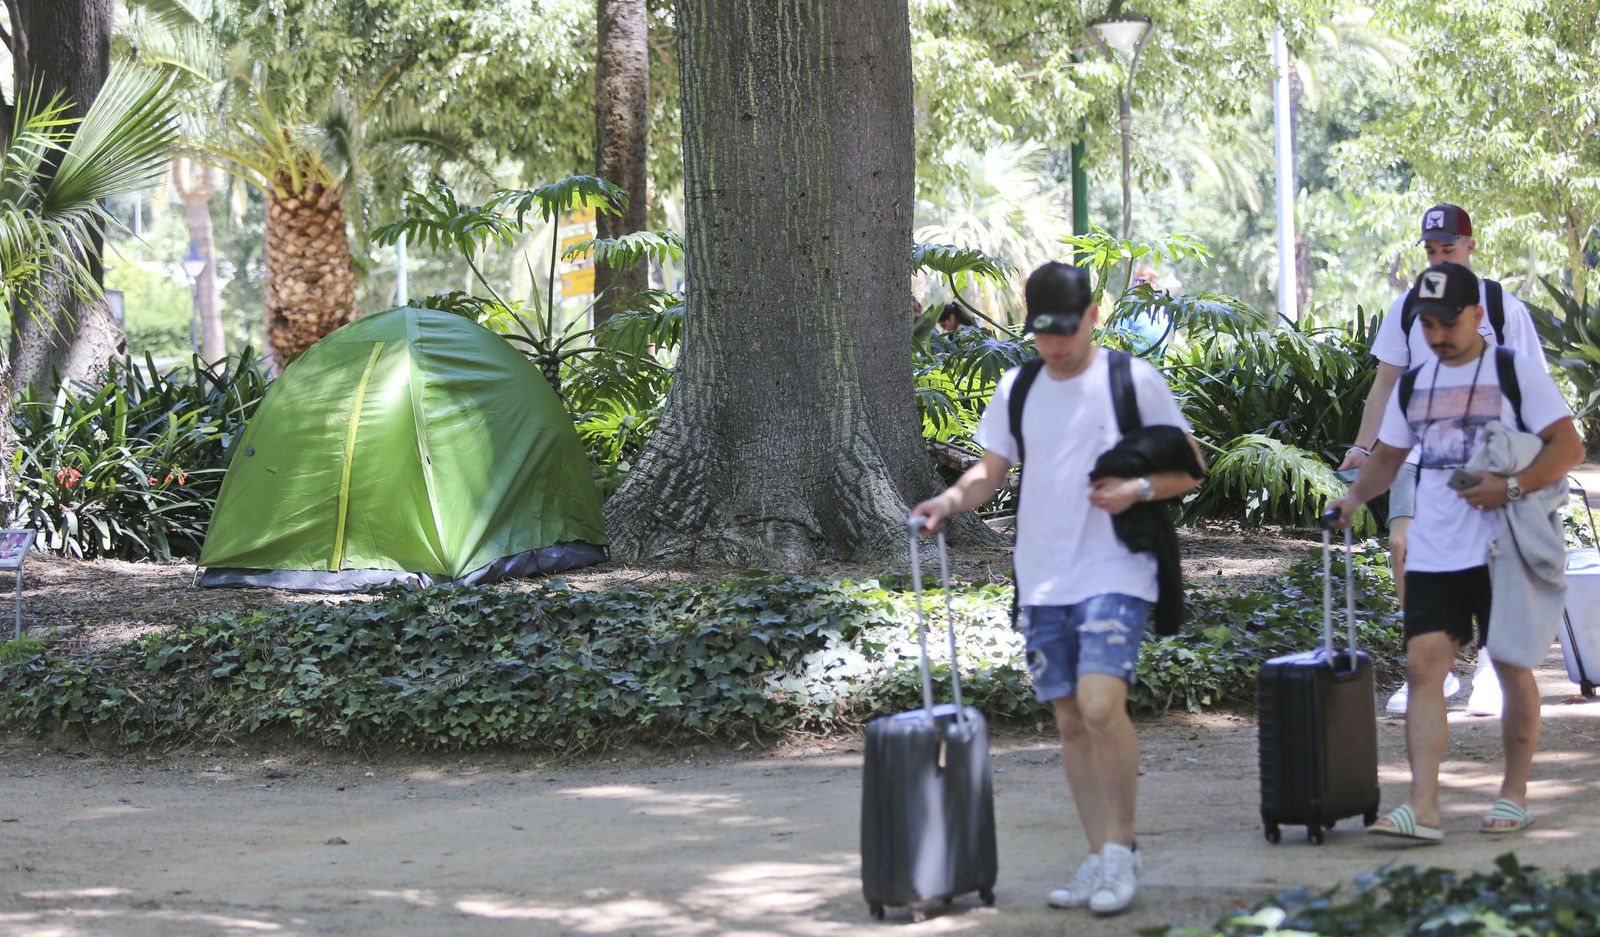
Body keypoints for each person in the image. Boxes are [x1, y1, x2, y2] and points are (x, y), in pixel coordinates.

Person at [912, 261, 1205, 916]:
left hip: (1117, 568)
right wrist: (947, 502)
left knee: (1102, 705)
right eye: (1043, 331)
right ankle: (1099, 852)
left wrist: (1137, 488)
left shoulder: (1133, 381)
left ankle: (1122, 850)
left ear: (1093, 316)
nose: (1055, 344)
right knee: (1071, 718)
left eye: (1067, 329)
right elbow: (989, 475)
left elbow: (1192, 466)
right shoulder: (1018, 388)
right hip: (1042, 577)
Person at [1328, 262, 1583, 843]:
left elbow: (1568, 446)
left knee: (1514, 667)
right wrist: (1353, 498)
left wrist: (1511, 487)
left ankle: (1514, 796)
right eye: (1427, 324)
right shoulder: (1416, 383)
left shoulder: (1515, 373)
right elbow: (1390, 456)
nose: (1438, 335)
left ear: (1476, 317)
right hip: (1437, 550)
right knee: (1423, 668)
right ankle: (1423, 806)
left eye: (1448, 323)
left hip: (1504, 549)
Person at [1338, 204, 1548, 717]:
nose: (1438, 258)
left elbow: (1532, 387)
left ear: (1470, 248)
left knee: (1489, 555)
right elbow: (1386, 384)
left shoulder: (1500, 308)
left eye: (1447, 249)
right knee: (1402, 543)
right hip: (1417, 449)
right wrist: (1365, 449)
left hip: (1489, 452)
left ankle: (1489, 666)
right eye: (1430, 250)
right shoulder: (1406, 309)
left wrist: (1525, 472)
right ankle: (1433, 666)